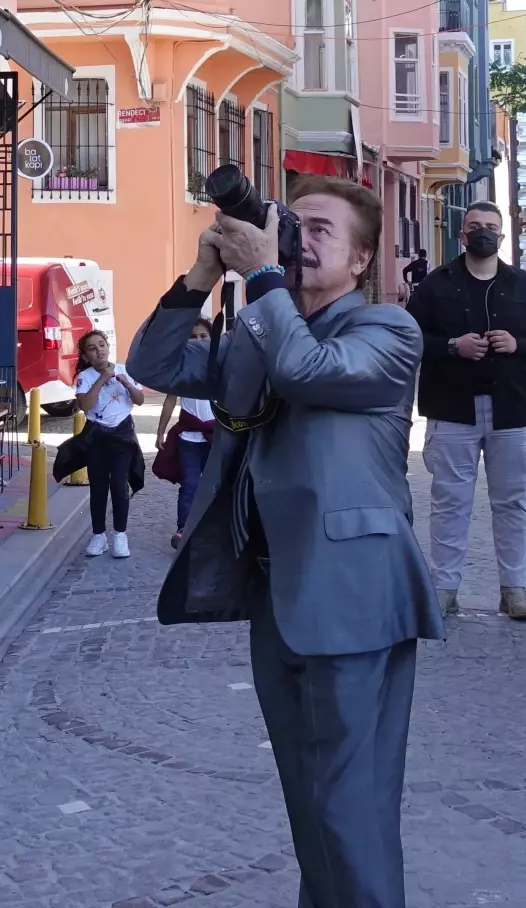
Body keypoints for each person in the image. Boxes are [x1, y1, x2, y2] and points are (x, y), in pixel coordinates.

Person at [126, 174, 445, 908]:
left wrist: (266, 273)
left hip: (355, 595)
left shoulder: (387, 331)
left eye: (320, 230)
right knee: (308, 801)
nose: (300, 239)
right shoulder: (257, 333)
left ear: (361, 261)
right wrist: (202, 274)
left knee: (348, 806)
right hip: (277, 591)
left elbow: (307, 371)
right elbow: (152, 366)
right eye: (291, 224)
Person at [407, 201, 526, 619]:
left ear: (501, 235)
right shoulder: (435, 285)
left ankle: (514, 589)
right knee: (449, 503)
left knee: (513, 503)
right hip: (452, 409)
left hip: (512, 410)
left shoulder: (525, 286)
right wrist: (451, 346)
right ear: (462, 234)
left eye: (490, 227)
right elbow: (409, 337)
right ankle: (444, 589)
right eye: (474, 226)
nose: (483, 233)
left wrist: (519, 345)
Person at [74, 330, 145, 558]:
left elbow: (140, 400)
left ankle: (120, 536)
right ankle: (98, 536)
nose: (99, 350)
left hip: (122, 436)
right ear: (86, 357)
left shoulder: (125, 370)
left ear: (108, 346)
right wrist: (103, 378)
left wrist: (126, 383)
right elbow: (86, 405)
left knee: (118, 485)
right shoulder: (84, 377)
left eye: (101, 345)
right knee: (98, 487)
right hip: (96, 437)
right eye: (92, 348)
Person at [154, 318, 216, 550]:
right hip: (189, 438)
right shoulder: (181, 366)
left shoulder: (219, 363)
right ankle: (183, 529)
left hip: (215, 437)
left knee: (215, 486)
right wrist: (160, 432)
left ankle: (214, 529)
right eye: (193, 336)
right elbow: (170, 400)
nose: (198, 340)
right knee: (189, 484)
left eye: (203, 336)